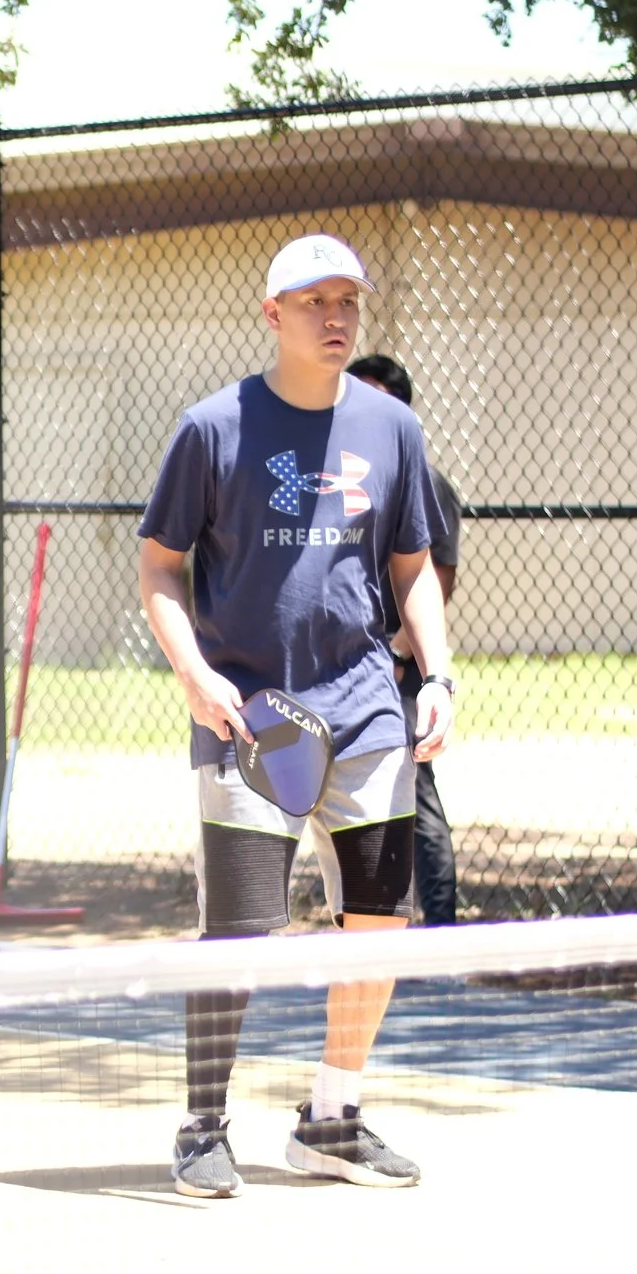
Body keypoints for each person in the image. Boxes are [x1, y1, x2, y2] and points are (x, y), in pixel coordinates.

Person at [136, 234, 455, 1199]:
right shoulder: (212, 427)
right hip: (250, 720)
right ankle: (202, 1126)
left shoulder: (392, 428)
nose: (335, 316)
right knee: (237, 931)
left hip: (368, 715)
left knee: (378, 923)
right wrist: (195, 674)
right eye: (314, 301)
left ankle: (332, 1119)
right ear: (272, 314)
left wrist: (438, 674)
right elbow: (159, 566)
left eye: (347, 299)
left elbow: (412, 568)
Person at [340, 352, 462, 928]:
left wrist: (397, 653)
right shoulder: (345, 475)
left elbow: (437, 576)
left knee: (415, 793)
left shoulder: (425, 481)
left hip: (396, 668)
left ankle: (440, 931)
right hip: (349, 666)